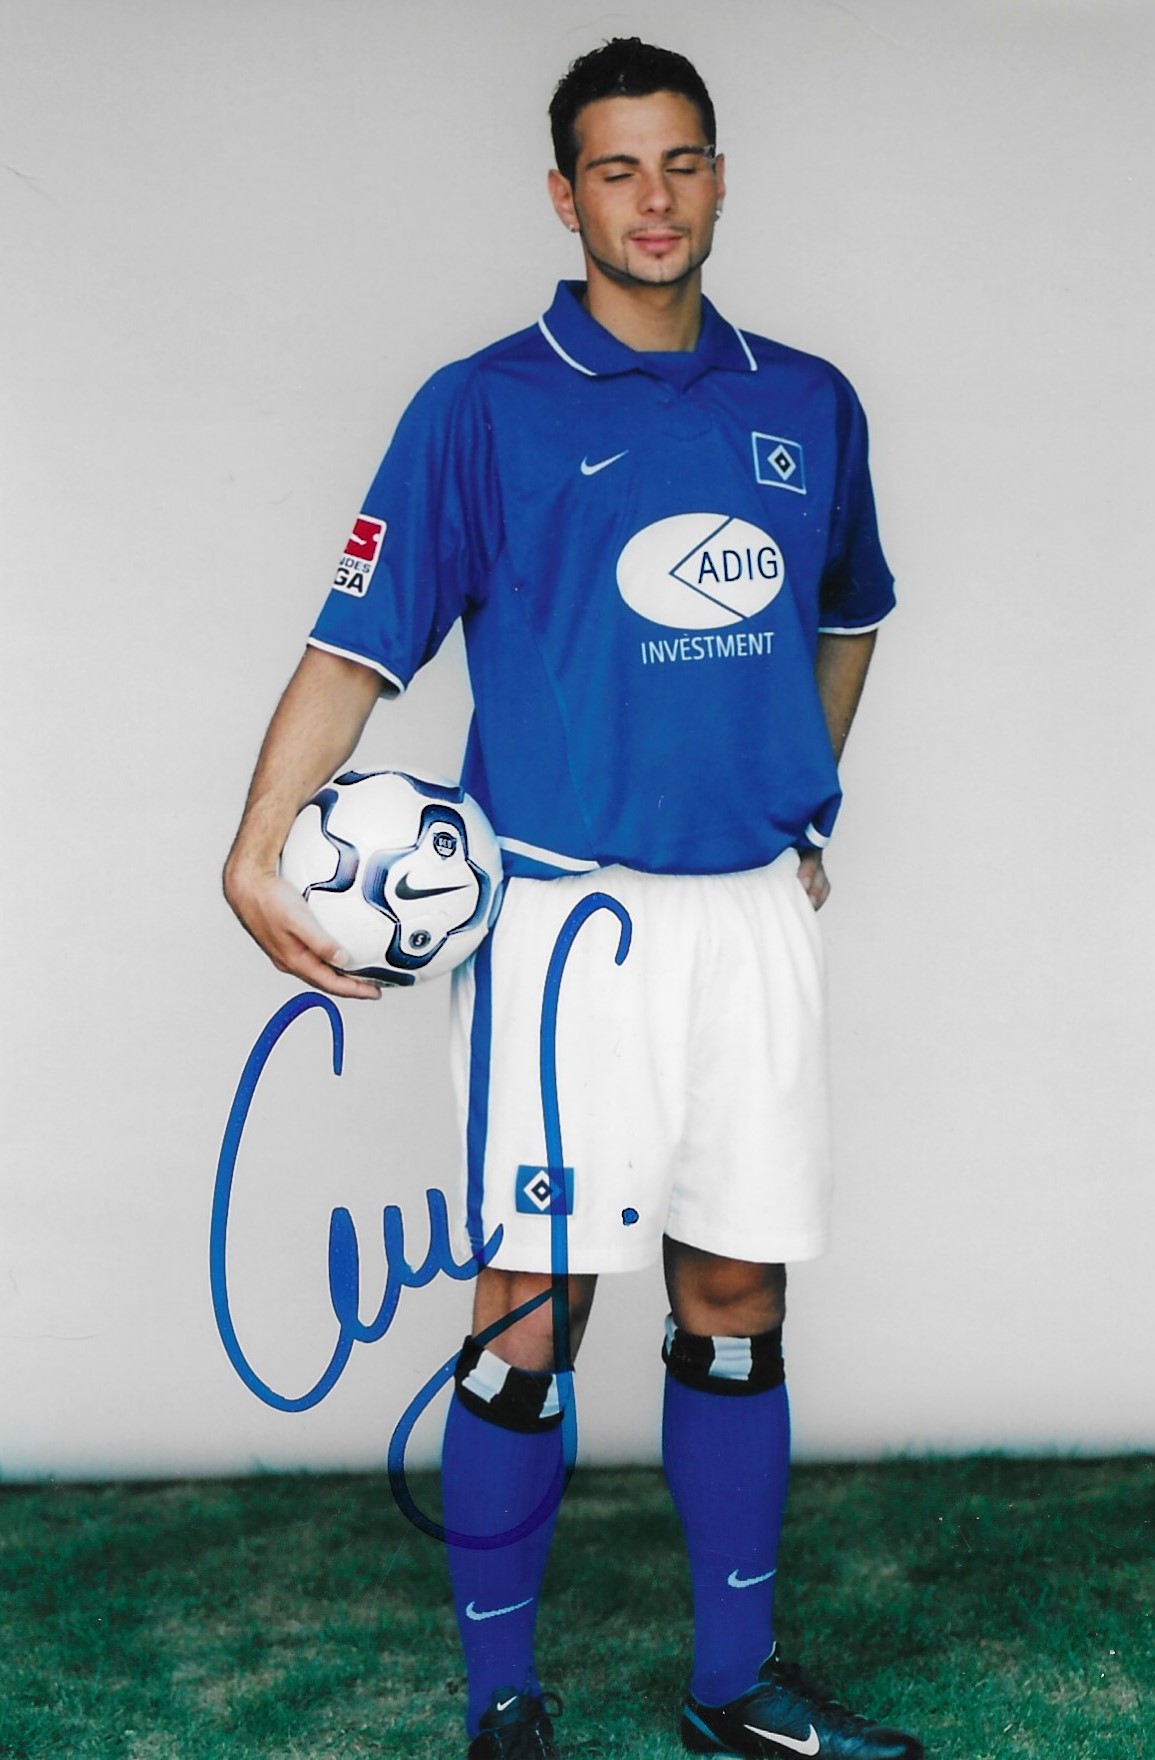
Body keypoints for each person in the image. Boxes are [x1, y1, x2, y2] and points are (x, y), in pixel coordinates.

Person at [224, 37, 923, 1760]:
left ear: (720, 177)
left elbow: (848, 616)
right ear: (565, 195)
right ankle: (502, 1703)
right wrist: (258, 840)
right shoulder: (482, 407)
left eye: (681, 162)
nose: (654, 199)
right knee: (534, 1311)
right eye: (618, 169)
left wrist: (803, 790)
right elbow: (356, 646)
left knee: (737, 1295)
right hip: (560, 927)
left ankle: (734, 1688)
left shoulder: (806, 402)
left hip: (747, 919)